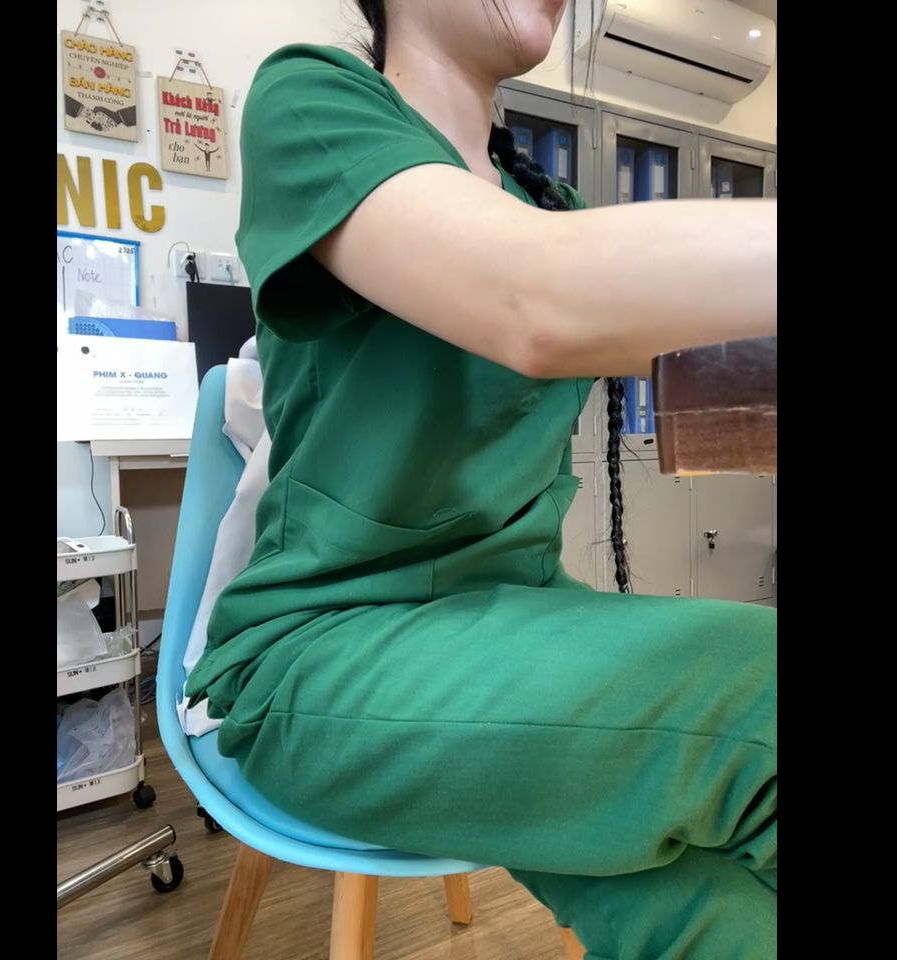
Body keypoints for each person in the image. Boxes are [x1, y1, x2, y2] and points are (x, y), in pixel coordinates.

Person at [186, 2, 777, 956]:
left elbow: (705, 361)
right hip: (330, 651)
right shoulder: (311, 101)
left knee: (724, 916)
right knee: (763, 690)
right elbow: (533, 296)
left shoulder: (552, 210)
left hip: (513, 629)